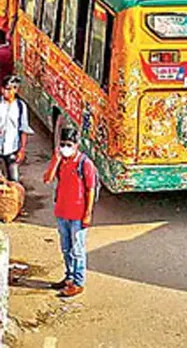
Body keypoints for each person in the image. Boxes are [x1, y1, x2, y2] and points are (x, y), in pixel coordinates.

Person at [43, 126, 97, 299]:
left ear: (76, 145)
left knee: (78, 250)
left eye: (69, 145)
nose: (65, 148)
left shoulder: (85, 164)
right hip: (62, 211)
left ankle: (78, 282)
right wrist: (56, 160)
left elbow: (91, 189)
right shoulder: (61, 161)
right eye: (63, 144)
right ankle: (69, 277)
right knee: (66, 248)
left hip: (78, 214)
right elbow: (47, 178)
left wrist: (87, 213)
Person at [0, 76, 32, 182]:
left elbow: (23, 129)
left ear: (16, 90)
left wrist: (22, 150)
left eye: (11, 89)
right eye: (6, 89)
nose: (7, 92)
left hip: (12, 150)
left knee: (13, 182)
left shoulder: (20, 106)